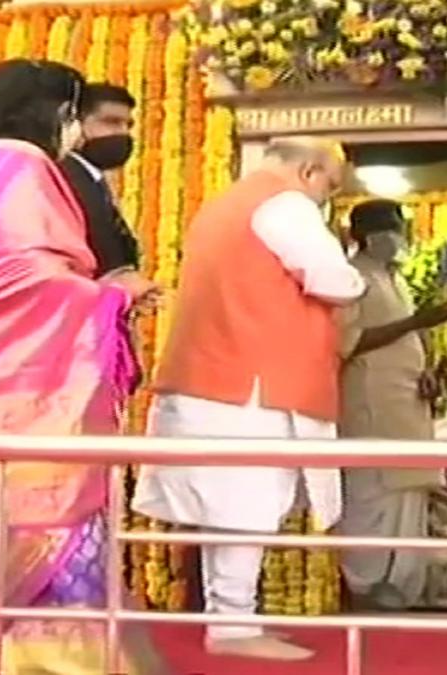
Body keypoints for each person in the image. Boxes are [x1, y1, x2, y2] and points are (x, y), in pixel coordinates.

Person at [0, 59, 158, 674]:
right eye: (75, 114)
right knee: (48, 517)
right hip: (22, 367)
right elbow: (28, 277)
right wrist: (111, 297)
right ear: (52, 111)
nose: (77, 131)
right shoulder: (18, 163)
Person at [132, 136, 363, 661]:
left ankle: (230, 619)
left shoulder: (221, 205)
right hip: (251, 383)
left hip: (211, 375)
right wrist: (355, 277)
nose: (326, 200)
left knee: (225, 509)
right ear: (309, 172)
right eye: (329, 187)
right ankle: (234, 626)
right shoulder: (286, 205)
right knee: (244, 508)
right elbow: (334, 279)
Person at [335, 198, 447, 610]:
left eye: (401, 228)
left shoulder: (395, 278)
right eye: (392, 228)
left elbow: (404, 337)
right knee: (373, 493)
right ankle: (366, 584)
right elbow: (348, 341)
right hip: (371, 402)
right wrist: (417, 322)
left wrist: (427, 369)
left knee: (407, 488)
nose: (400, 237)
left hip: (407, 401)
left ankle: (402, 583)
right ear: (366, 235)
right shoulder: (351, 277)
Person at [58, 83, 156, 296]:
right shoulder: (68, 177)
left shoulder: (90, 177)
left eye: (128, 125)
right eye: (111, 122)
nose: (123, 133)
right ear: (76, 125)